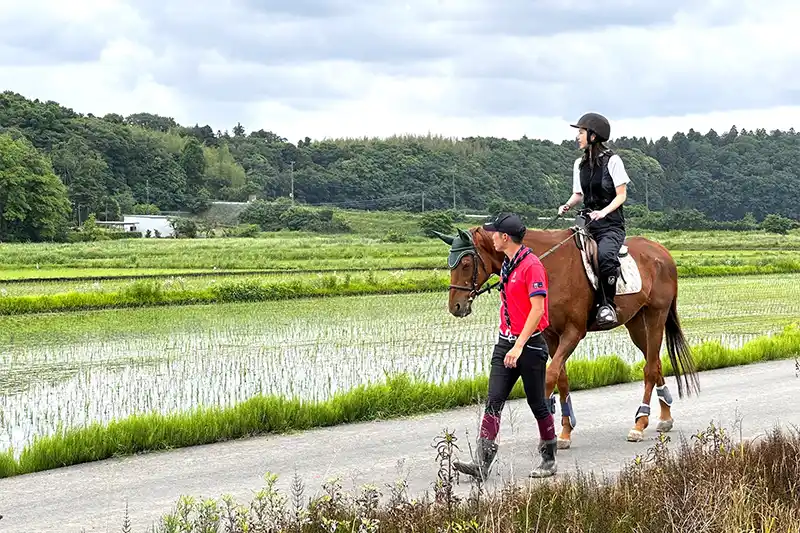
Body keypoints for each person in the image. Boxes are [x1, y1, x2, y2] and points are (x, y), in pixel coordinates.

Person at [453, 212, 558, 480]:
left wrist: (519, 346)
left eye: (494, 233)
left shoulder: (532, 266)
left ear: (504, 237)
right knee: (493, 401)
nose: (490, 237)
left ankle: (549, 458)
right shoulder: (508, 264)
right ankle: (482, 462)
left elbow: (537, 310)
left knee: (538, 404)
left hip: (530, 346)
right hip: (506, 344)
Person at [557, 112, 631, 328]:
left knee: (606, 257)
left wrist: (604, 212)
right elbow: (578, 195)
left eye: (581, 132)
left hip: (610, 226)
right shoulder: (579, 164)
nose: (578, 136)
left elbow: (621, 195)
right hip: (586, 224)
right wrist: (567, 205)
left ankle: (607, 305)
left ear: (593, 135)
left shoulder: (613, 161)